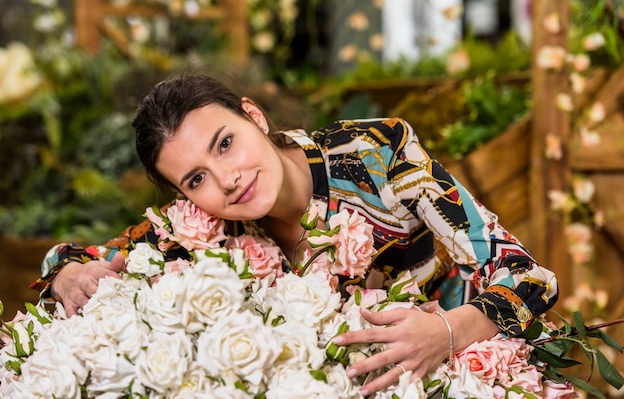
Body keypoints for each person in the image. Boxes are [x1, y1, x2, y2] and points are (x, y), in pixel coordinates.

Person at [31, 74, 558, 396]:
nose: (226, 179)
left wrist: (444, 334)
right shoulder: (198, 223)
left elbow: (529, 275)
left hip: (465, 372)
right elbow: (73, 257)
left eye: (225, 143)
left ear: (254, 116)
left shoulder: (378, 155)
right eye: (195, 179)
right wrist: (69, 273)